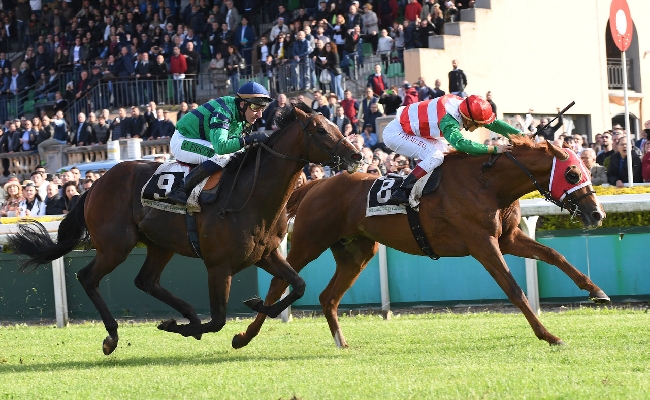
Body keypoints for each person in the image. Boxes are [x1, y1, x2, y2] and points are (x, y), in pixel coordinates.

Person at [384, 94, 522, 205]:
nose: (481, 126)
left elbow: (493, 124)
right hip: (397, 133)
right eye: (479, 125)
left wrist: (521, 136)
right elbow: (461, 144)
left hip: (412, 130)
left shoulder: (465, 107)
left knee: (445, 153)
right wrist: (494, 149)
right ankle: (403, 191)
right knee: (436, 156)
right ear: (468, 120)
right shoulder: (448, 121)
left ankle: (429, 190)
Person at [166, 82, 273, 205]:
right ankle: (181, 189)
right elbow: (221, 147)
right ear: (242, 104)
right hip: (182, 141)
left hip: (203, 141)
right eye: (255, 108)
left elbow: (239, 147)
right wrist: (249, 140)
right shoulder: (223, 111)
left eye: (262, 109)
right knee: (219, 156)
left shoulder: (244, 117)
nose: (260, 115)